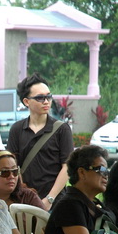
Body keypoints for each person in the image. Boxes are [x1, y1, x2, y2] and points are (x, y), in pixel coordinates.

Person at [7, 73, 73, 210]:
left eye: (48, 96)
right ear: (26, 102)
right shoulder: (17, 129)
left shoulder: (62, 129)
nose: (46, 101)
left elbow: (67, 167)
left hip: (55, 202)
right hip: (25, 201)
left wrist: (50, 198)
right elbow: (13, 165)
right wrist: (24, 194)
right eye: (40, 98)